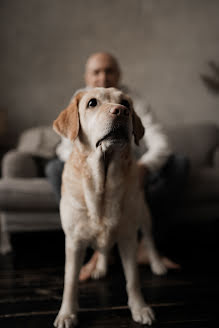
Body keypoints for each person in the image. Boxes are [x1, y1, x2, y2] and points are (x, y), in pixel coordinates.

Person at [45, 52, 189, 280]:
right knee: (54, 168)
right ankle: (96, 246)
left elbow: (161, 143)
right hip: (88, 173)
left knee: (180, 164)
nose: (103, 77)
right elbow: (64, 147)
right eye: (96, 72)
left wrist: (145, 167)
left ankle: (143, 243)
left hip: (132, 169)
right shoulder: (81, 98)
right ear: (87, 76)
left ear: (119, 74)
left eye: (109, 70)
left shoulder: (132, 100)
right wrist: (83, 170)